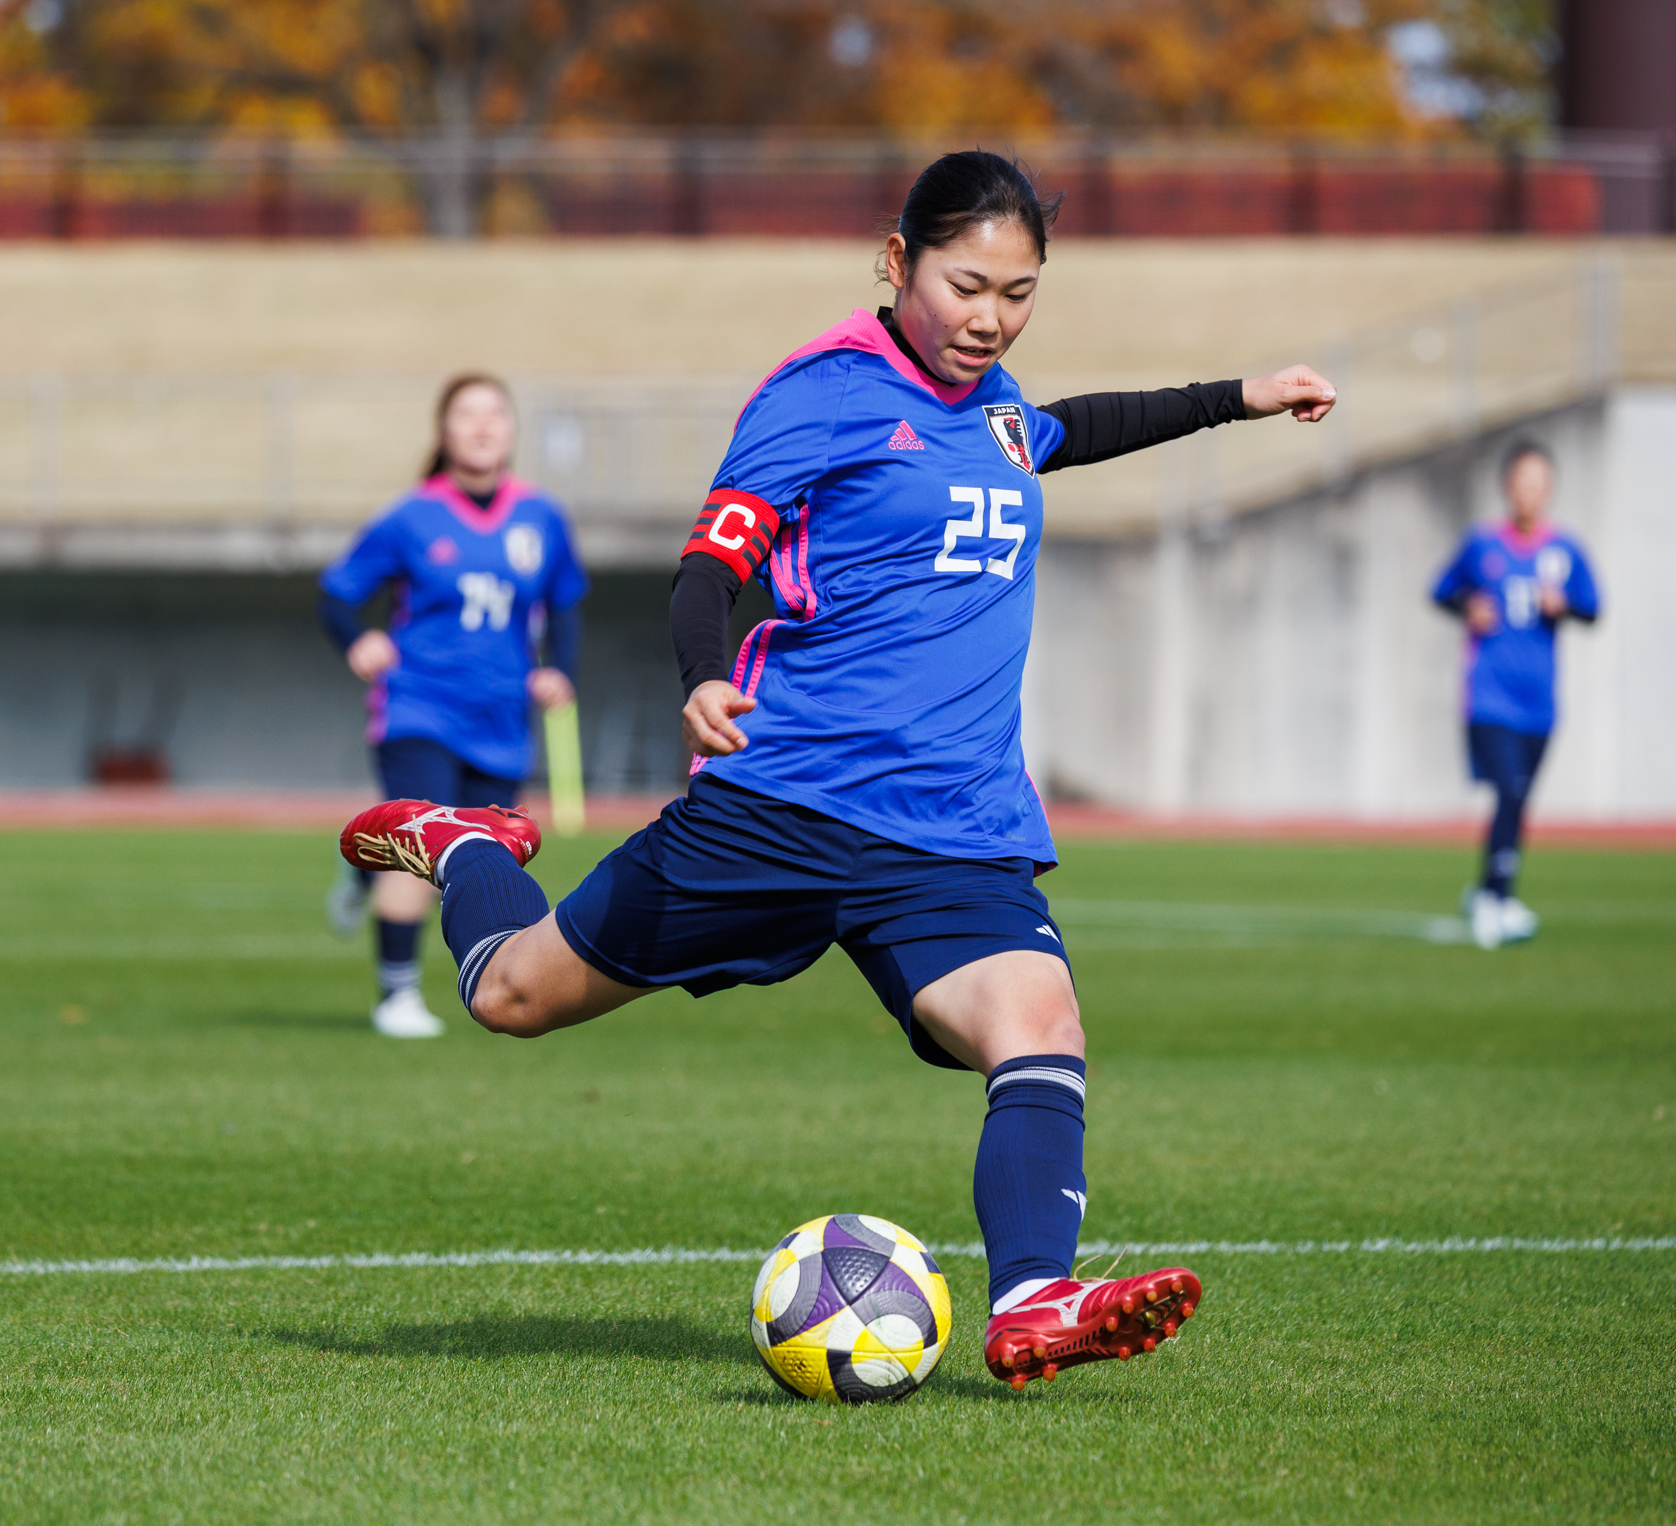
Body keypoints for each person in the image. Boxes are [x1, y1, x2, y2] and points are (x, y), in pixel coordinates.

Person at [337, 152, 1336, 1387]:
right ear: (897, 261)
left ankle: (1032, 1300)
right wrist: (702, 675)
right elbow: (712, 561)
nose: (988, 317)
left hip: (953, 825)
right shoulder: (821, 393)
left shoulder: (1003, 406)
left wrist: (1241, 395)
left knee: (1037, 1027)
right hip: (784, 802)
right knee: (510, 997)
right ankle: (468, 848)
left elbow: (1078, 427)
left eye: (1018, 293)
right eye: (966, 284)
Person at [318, 374, 587, 1037]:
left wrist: (561, 671)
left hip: (500, 717)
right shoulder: (411, 515)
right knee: (429, 837)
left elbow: (567, 600)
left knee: (487, 854)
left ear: (512, 429)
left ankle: (364, 870)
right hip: (419, 708)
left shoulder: (541, 516)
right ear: (443, 431)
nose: (483, 426)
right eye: (467, 414)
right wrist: (360, 639)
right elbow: (337, 591)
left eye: (496, 413)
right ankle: (396, 996)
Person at [1430, 439, 1601, 951]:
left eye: (1540, 485)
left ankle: (1491, 889)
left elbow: (1593, 609)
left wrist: (1563, 605)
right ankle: (1493, 901)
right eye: (1523, 483)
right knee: (1508, 789)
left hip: (1539, 701)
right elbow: (1441, 590)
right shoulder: (1483, 545)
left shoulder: (1564, 551)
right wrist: (1469, 608)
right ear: (1509, 488)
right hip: (1489, 695)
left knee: (1518, 798)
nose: (1531, 494)